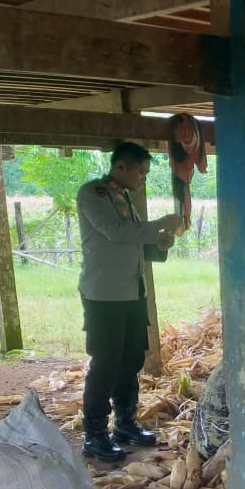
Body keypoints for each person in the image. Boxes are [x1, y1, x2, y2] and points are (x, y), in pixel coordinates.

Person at [77, 142, 183, 462]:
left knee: (131, 359)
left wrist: (159, 244)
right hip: (105, 295)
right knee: (106, 363)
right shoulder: (93, 193)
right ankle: (95, 434)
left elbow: (134, 243)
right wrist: (160, 224)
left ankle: (125, 423)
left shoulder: (123, 197)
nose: (143, 179)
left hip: (132, 292)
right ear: (120, 167)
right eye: (141, 172)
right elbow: (115, 232)